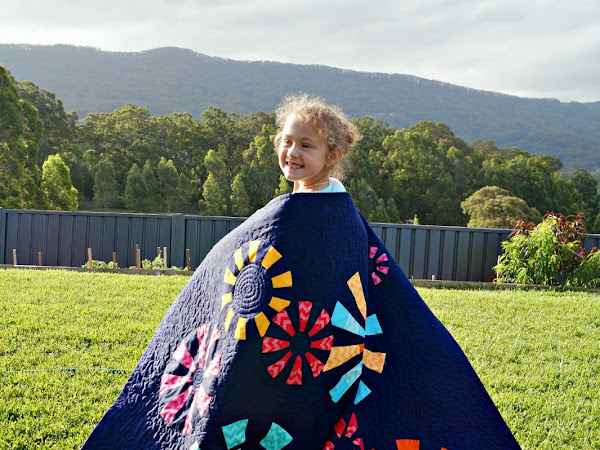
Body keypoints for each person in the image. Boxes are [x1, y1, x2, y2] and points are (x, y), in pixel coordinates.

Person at [274, 94, 360, 193]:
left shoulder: (302, 207)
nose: (292, 153)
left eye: (305, 145)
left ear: (332, 156)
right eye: (287, 141)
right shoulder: (335, 188)